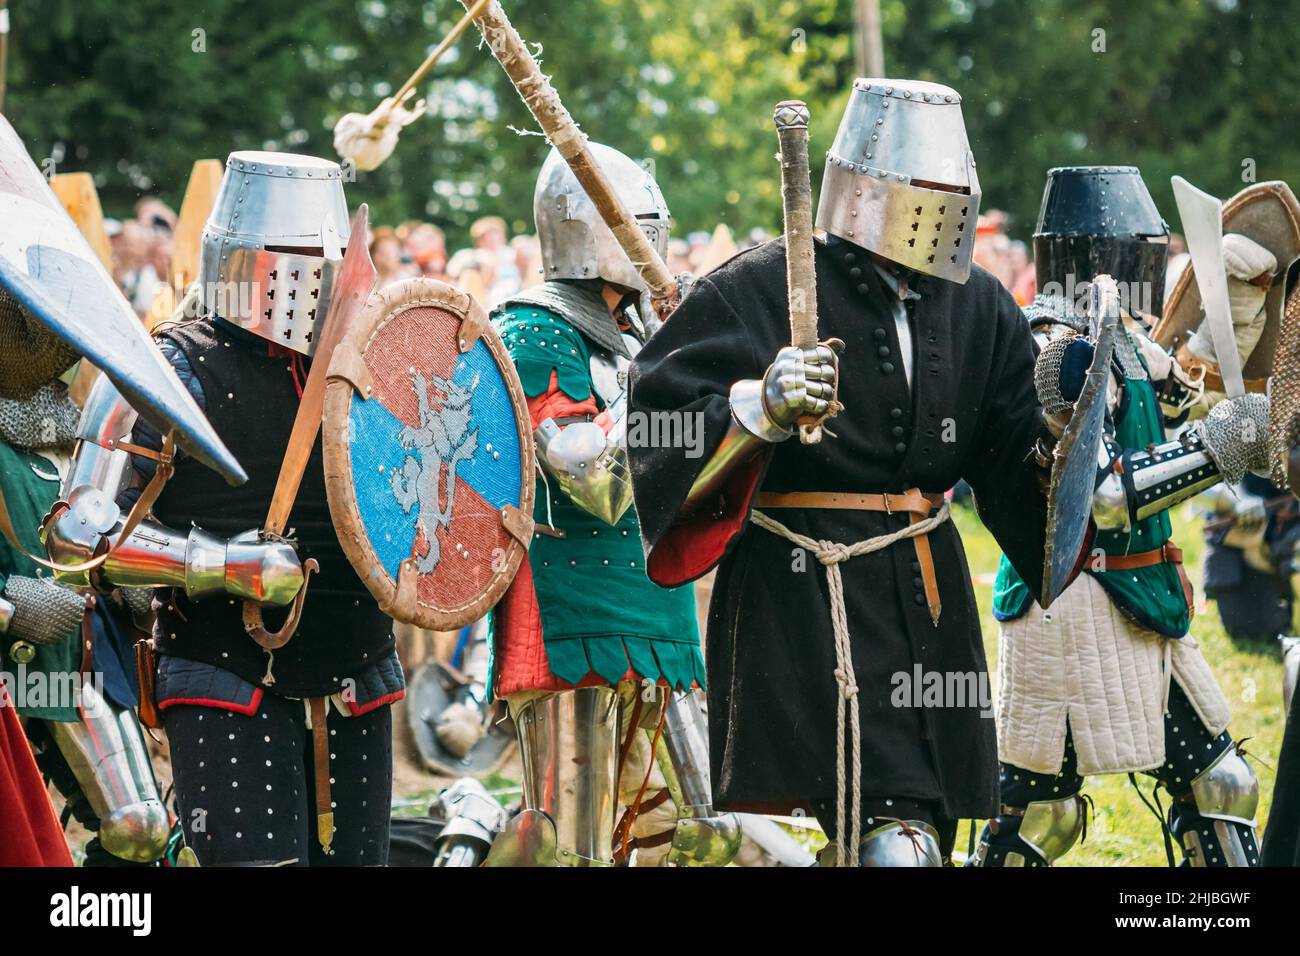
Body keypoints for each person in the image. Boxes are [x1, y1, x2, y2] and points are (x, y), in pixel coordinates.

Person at [628, 78, 1056, 867]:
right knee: (895, 843)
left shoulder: (980, 306)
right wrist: (759, 407)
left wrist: (1064, 443)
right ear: (869, 187)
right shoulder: (752, 287)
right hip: (805, 597)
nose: (941, 208)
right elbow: (657, 430)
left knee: (920, 822)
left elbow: (1013, 453)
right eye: (922, 190)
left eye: (950, 191)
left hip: (929, 601)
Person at [47, 151, 404, 867]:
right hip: (227, 677)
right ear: (243, 258)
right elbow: (76, 532)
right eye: (295, 256)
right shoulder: (169, 366)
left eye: (328, 256)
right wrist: (221, 564)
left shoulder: (374, 368)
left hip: (357, 678)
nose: (314, 275)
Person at [973, 166, 1267, 867]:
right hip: (1076, 604)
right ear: (1105, 256)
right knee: (1042, 817)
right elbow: (1103, 495)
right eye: (1140, 249)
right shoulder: (1061, 351)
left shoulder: (1123, 340)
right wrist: (1218, 445)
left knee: (1220, 785)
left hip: (1137, 602)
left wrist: (1228, 331)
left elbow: (1160, 413)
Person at [484, 141, 738, 867]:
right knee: (576, 845)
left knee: (685, 834)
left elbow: (687, 467)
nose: (650, 244)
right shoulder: (533, 331)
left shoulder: (637, 337)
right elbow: (588, 479)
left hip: (654, 604)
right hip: (572, 611)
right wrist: (664, 370)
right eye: (637, 226)